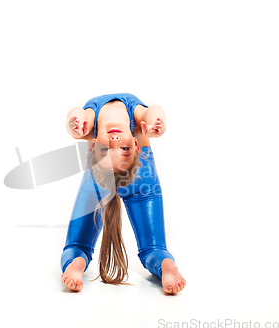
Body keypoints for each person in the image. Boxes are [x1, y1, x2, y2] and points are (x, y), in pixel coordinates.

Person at [60, 93, 186, 294]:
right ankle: (167, 267)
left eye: (105, 149)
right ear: (136, 145)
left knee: (77, 245)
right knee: (153, 247)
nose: (115, 139)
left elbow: (75, 115)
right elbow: (153, 110)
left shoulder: (89, 124)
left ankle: (75, 264)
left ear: (93, 146)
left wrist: (73, 124)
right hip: (142, 176)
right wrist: (156, 125)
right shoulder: (136, 119)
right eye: (124, 148)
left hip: (99, 180)